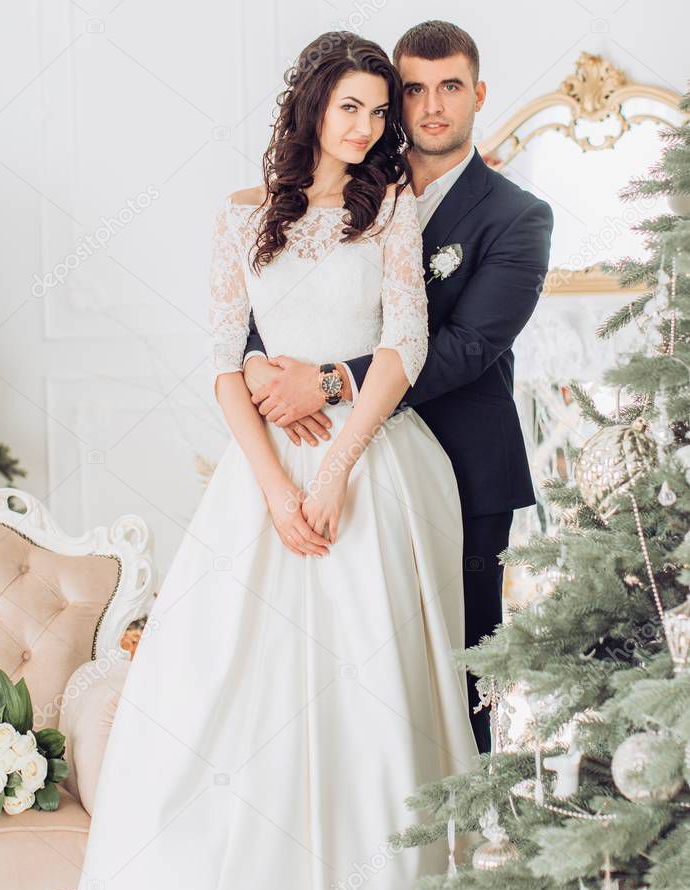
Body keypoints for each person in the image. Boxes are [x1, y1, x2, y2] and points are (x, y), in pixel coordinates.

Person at [60, 30, 478, 890]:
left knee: (366, 692)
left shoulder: (393, 210)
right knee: (222, 695)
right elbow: (218, 357)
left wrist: (330, 469)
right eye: (352, 107)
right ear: (310, 108)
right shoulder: (242, 218)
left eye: (380, 110)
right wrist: (272, 485)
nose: (370, 125)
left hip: (370, 468)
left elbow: (402, 344)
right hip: (261, 478)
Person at [243, 21, 554, 753]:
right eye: (412, 89)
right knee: (347, 660)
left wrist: (327, 382)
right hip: (333, 460)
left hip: (463, 467)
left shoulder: (516, 216)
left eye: (450, 87)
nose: (431, 106)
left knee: (459, 665)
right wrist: (258, 363)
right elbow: (278, 293)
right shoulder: (349, 186)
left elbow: (468, 346)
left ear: (477, 94)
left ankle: (473, 845)